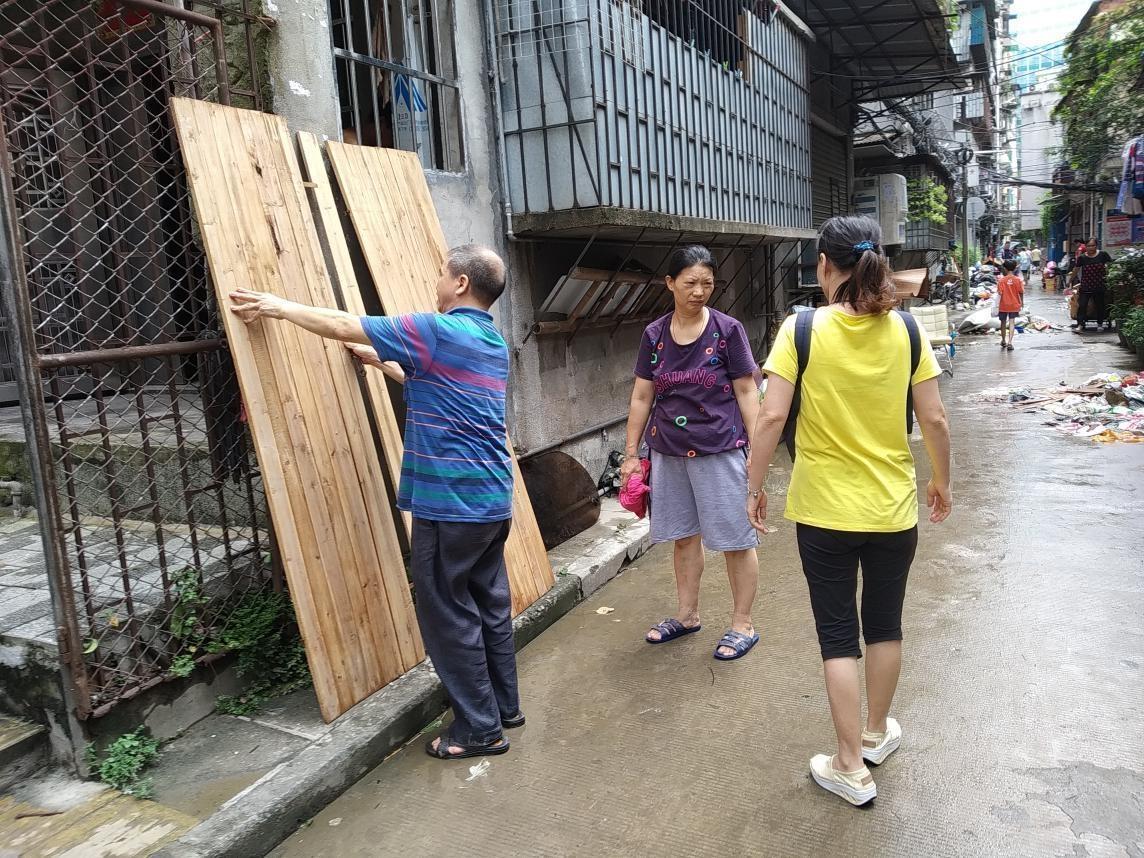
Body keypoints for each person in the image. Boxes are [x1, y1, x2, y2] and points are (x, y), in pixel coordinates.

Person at [229, 245, 523, 761]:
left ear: (459, 284)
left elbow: (346, 324)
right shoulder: (489, 341)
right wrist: (381, 363)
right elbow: (435, 384)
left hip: (449, 503)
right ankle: (503, 708)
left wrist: (277, 306)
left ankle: (478, 730)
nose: (435, 282)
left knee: (447, 614)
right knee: (487, 604)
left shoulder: (439, 330)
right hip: (492, 501)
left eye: (440, 273)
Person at [744, 215, 952, 807]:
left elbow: (771, 417)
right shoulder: (908, 332)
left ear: (825, 267)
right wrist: (942, 480)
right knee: (884, 624)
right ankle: (875, 734)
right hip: (893, 510)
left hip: (824, 511)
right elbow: (934, 419)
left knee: (839, 637)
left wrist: (753, 486)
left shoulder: (801, 329)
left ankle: (849, 765)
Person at [621, 245, 762, 661]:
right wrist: (632, 452)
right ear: (670, 283)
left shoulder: (728, 330)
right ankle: (687, 615)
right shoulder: (654, 334)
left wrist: (757, 452)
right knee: (683, 538)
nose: (699, 292)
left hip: (720, 449)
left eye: (707, 284)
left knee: (736, 539)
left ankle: (742, 623)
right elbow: (642, 396)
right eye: (690, 283)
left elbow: (746, 390)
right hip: (668, 452)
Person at [1072, 238, 1114, 331]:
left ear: (1096, 246)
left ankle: (1100, 324)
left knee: (1100, 305)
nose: (1091, 248)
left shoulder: (1103, 255)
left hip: (1099, 285)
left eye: (1093, 245)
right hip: (1086, 285)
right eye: (1088, 246)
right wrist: (1070, 280)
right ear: (1085, 247)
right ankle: (1080, 324)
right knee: (1082, 305)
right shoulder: (1082, 258)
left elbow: (1111, 266)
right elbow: (1076, 269)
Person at [997, 259, 1025, 351]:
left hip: (1004, 304)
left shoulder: (1001, 280)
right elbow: (1021, 292)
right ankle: (1010, 342)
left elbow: (999, 293)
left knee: (1003, 322)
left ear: (1005, 268)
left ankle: (1003, 340)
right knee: (1012, 322)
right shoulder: (1018, 280)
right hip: (1014, 304)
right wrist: (1022, 303)